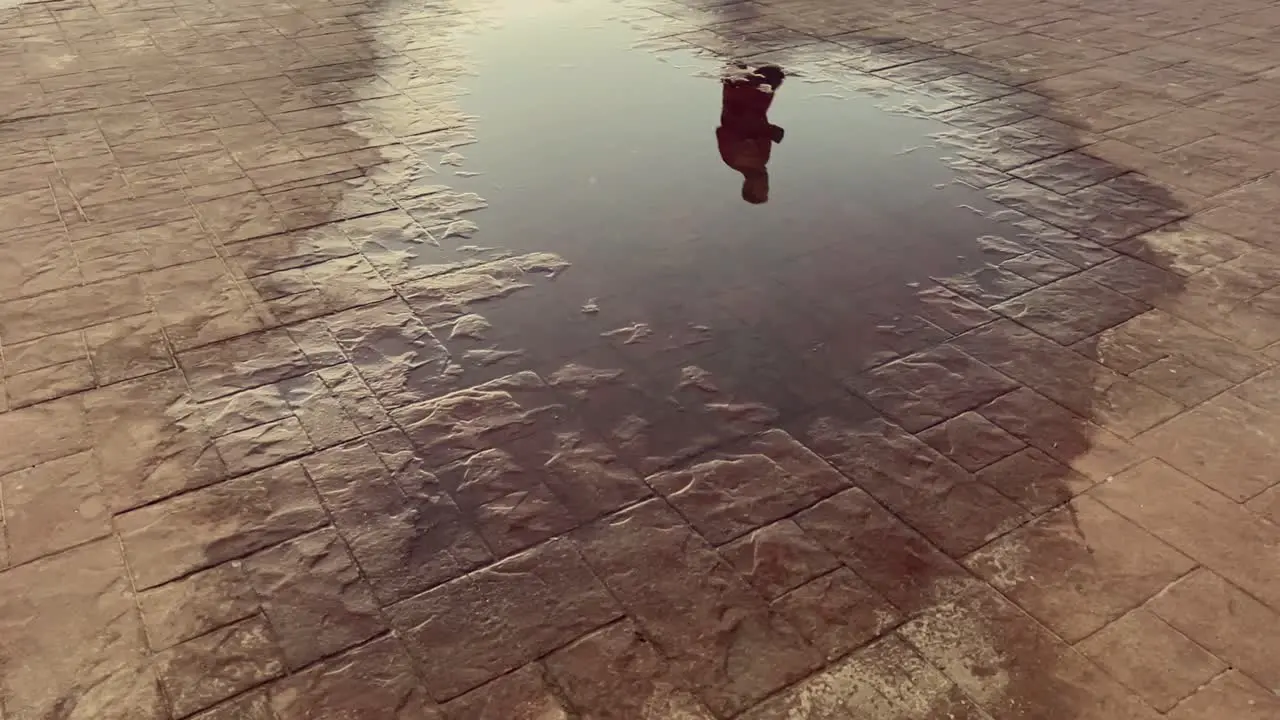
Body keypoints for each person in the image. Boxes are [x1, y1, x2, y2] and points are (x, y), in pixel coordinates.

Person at [716, 64, 785, 204]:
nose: (766, 184)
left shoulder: (738, 161)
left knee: (769, 72)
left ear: (748, 186)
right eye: (766, 188)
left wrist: (766, 132)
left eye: (762, 188)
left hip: (743, 97)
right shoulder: (760, 162)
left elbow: (726, 131)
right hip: (755, 99)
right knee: (775, 75)